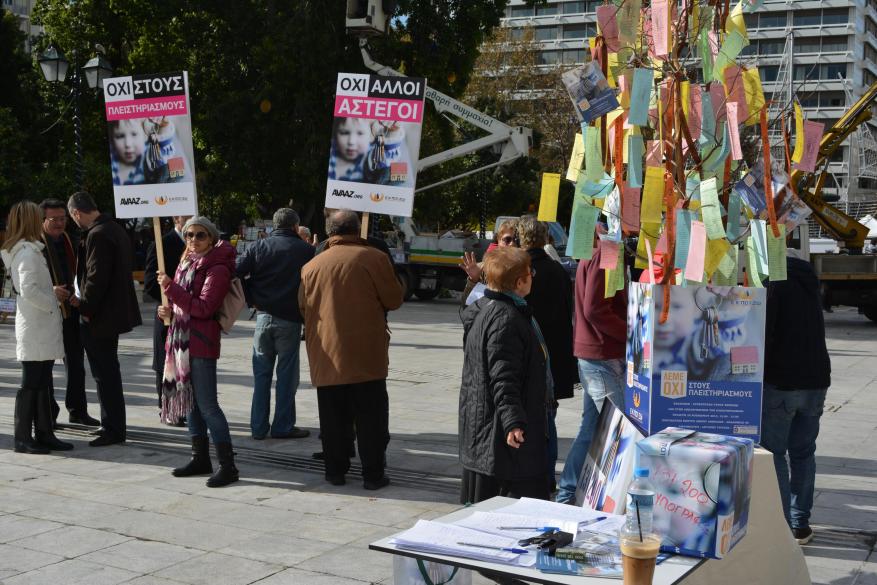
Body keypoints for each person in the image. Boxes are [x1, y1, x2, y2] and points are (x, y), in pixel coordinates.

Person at [299, 209, 403, 490]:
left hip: (327, 355)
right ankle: (372, 475)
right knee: (371, 418)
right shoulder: (375, 258)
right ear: (358, 230)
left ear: (330, 232)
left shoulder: (311, 266)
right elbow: (394, 298)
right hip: (366, 354)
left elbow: (302, 306)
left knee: (332, 419)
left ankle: (335, 471)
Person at [458, 247, 550, 504]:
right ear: (519, 282)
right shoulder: (504, 319)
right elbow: (503, 376)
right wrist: (513, 422)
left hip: (487, 432)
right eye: (529, 273)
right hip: (500, 440)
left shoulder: (491, 308)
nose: (533, 276)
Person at [158, 216, 239, 488]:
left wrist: (172, 289)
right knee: (190, 401)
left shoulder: (217, 268)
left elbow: (204, 308)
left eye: (200, 235)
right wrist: (166, 310)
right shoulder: (187, 262)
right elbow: (182, 303)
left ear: (212, 238)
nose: (193, 240)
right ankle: (199, 457)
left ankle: (228, 466)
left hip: (201, 342)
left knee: (207, 405)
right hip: (181, 340)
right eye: (189, 234)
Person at [760, 253, 831, 545]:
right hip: (816, 378)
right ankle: (800, 524)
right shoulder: (809, 284)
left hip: (782, 381)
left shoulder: (773, 283)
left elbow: (765, 332)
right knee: (803, 452)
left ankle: (782, 526)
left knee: (775, 452)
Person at [555, 228, 627, 504]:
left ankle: (569, 491)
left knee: (593, 427)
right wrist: (630, 332)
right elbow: (595, 309)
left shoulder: (603, 252)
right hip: (601, 355)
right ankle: (570, 492)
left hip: (599, 353)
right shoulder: (607, 252)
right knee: (616, 429)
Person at [68, 192, 142, 447]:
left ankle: (113, 428)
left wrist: (85, 308)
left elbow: (96, 278)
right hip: (111, 313)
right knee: (108, 371)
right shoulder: (114, 228)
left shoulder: (98, 234)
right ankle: (111, 424)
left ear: (76, 213)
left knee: (105, 373)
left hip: (100, 316)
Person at [236, 208, 314, 440]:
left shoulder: (259, 246)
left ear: (274, 226)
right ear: (296, 227)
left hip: (263, 318)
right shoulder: (307, 250)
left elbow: (236, 272)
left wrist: (252, 298)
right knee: (287, 377)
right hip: (289, 320)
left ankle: (258, 427)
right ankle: (282, 426)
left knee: (261, 376)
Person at [1, 201, 73, 453]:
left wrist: (49, 295)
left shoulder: (29, 250)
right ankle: (22, 437)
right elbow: (28, 289)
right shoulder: (28, 253)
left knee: (41, 381)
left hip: (38, 326)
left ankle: (44, 432)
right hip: (36, 327)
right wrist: (53, 300)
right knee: (31, 382)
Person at [516, 216, 577, 493]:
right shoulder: (558, 270)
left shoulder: (520, 270)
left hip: (527, 354)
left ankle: (535, 472)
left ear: (521, 238)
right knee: (549, 416)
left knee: (532, 417)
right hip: (555, 354)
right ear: (545, 239)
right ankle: (548, 474)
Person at [39, 198, 99, 427]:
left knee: (75, 362)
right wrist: (50, 290)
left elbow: (81, 272)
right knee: (45, 365)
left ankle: (78, 410)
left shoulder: (70, 240)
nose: (59, 223)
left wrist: (78, 293)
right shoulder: (35, 244)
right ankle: (48, 415)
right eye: (53, 219)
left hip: (71, 310)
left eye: (63, 218)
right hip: (47, 311)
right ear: (43, 219)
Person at [144, 215, 189, 424]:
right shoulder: (162, 243)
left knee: (185, 362)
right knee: (165, 362)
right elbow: (151, 285)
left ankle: (185, 406)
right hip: (166, 314)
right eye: (186, 216)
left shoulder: (200, 244)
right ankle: (167, 408)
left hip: (190, 316)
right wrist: (171, 302)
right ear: (176, 217)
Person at [459, 217, 519, 305]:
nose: (512, 244)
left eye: (516, 240)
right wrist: (473, 280)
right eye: (507, 240)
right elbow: (466, 305)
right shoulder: (484, 268)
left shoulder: (525, 269)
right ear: (498, 241)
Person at [328, 117, 373, 182]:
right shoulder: (332, 152)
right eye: (344, 133)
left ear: (371, 136)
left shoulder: (372, 158)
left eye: (360, 133)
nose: (351, 142)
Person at [108, 119, 147, 186]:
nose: (128, 144)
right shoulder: (112, 160)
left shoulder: (151, 157)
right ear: (112, 140)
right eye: (120, 136)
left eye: (134, 134)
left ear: (145, 136)